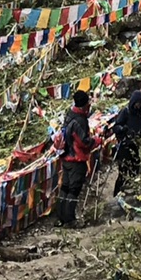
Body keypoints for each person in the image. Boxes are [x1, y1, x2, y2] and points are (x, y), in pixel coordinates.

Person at [55, 89, 94, 226]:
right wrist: (95, 141)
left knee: (65, 188)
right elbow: (83, 142)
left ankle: (60, 218)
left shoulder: (69, 115)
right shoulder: (80, 120)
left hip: (66, 157)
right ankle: (70, 220)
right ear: (85, 105)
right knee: (74, 189)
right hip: (77, 159)